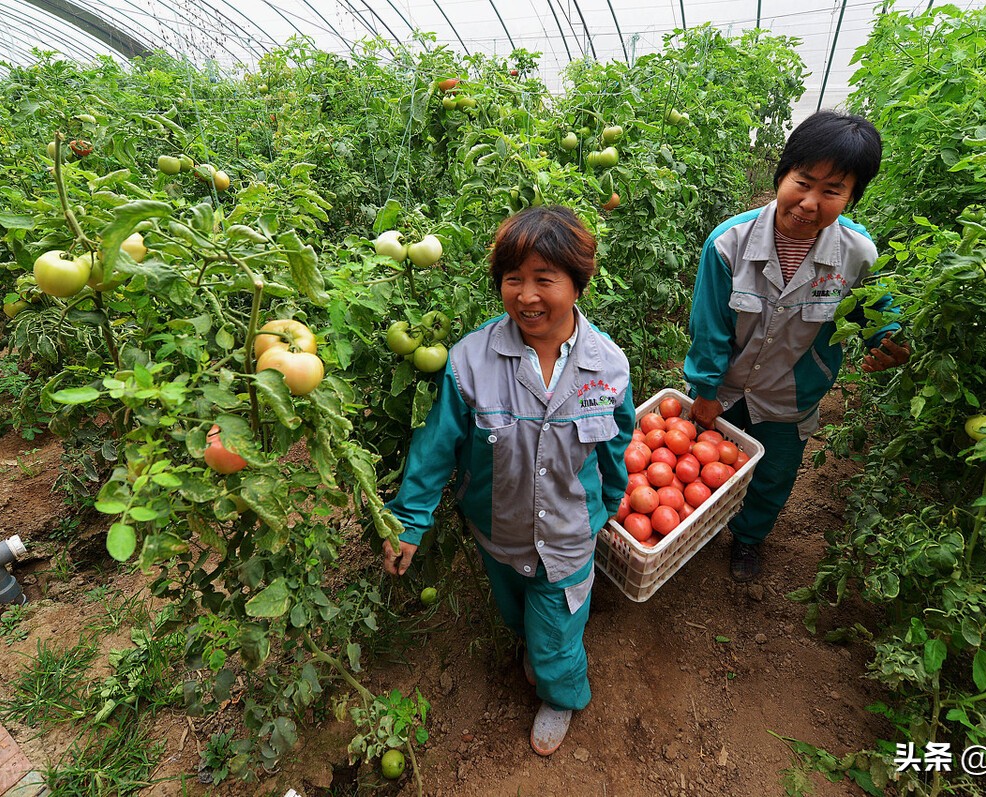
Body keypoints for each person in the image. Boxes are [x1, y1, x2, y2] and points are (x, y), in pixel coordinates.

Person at [381, 205, 635, 755]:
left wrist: (608, 504)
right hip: (498, 532)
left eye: (545, 279)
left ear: (578, 283)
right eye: (513, 279)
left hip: (569, 535)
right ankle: (532, 646)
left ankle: (562, 695)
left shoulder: (608, 368)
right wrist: (409, 519)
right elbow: (435, 448)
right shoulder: (470, 361)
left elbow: (616, 443)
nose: (526, 295)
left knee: (558, 636)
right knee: (514, 610)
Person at [683, 110, 911, 583]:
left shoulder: (858, 253)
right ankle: (697, 529)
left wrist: (888, 339)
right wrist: (705, 390)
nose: (810, 203)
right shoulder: (727, 244)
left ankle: (748, 538)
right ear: (782, 173)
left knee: (774, 474)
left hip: (792, 393)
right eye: (803, 182)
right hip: (725, 388)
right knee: (703, 462)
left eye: (832, 191)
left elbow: (876, 309)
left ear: (852, 197)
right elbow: (709, 327)